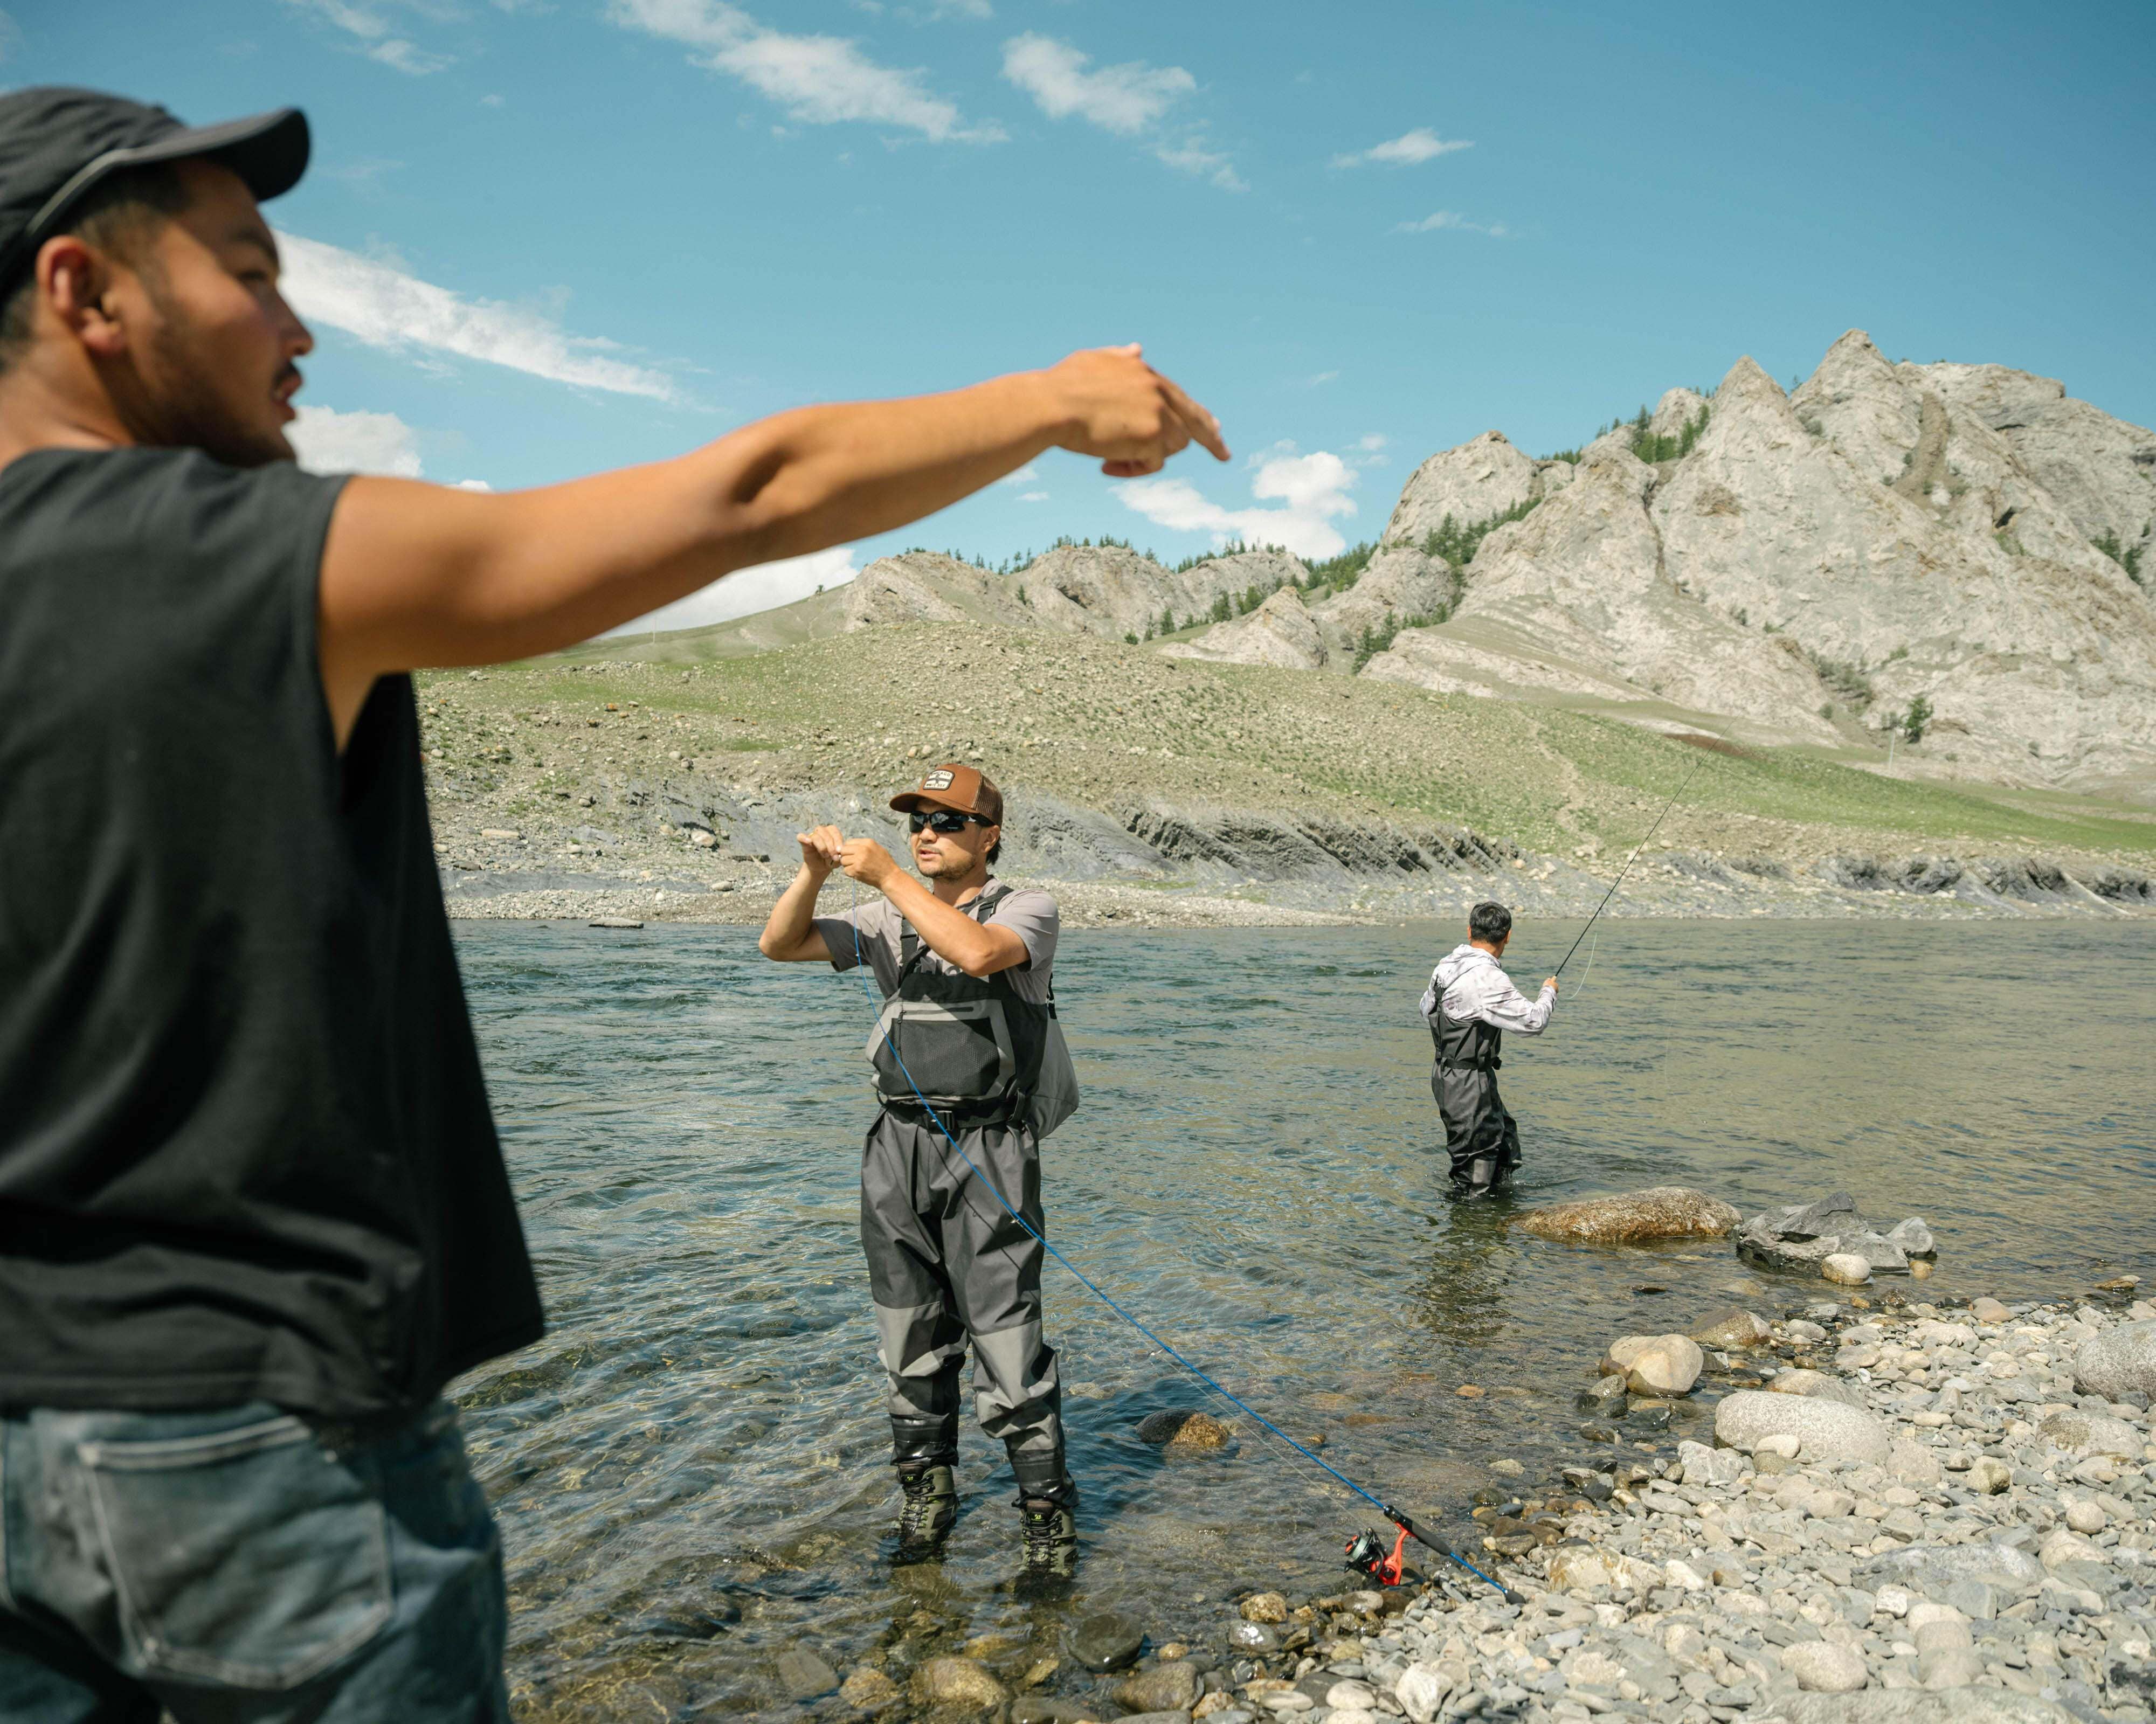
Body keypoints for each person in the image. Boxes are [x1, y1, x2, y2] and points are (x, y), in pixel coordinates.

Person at [0, 83, 1224, 1719]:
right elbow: (751, 495)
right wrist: (1058, 399)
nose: (298, 325)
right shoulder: (235, 557)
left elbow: (987, 948)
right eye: (247, 269)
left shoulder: (1023, 903)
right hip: (258, 1427)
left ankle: (1008, 1533)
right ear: (82, 291)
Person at [756, 766, 1082, 1577]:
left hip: (991, 1153)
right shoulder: (881, 915)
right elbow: (780, 943)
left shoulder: (1027, 909)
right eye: (916, 821)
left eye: (947, 820)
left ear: (990, 834)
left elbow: (975, 953)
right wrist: (813, 873)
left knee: (1007, 1341)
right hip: (895, 1148)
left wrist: (891, 876)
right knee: (908, 1336)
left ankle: (1045, 1519)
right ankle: (925, 1495)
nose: (926, 832)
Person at [1420, 901, 1558, 1198]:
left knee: (1503, 1139)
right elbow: (1534, 1022)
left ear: (1470, 930)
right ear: (1507, 937)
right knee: (1477, 1161)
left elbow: (1425, 1008)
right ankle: (1473, 1227)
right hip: (1468, 1080)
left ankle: (1497, 1214)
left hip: (1447, 1072)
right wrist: (1549, 991)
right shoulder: (1488, 978)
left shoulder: (1447, 964)